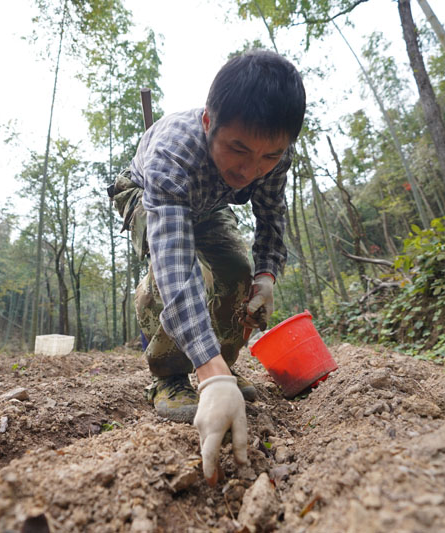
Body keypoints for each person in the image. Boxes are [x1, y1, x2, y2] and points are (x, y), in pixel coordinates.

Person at [109, 49, 305, 485]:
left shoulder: (274, 156)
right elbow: (175, 267)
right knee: (180, 276)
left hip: (209, 203)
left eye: (268, 156)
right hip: (148, 192)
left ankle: (222, 365)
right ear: (207, 124)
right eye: (238, 149)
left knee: (236, 270)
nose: (251, 169)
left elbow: (272, 217)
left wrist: (267, 275)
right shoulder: (172, 153)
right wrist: (208, 376)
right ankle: (173, 376)